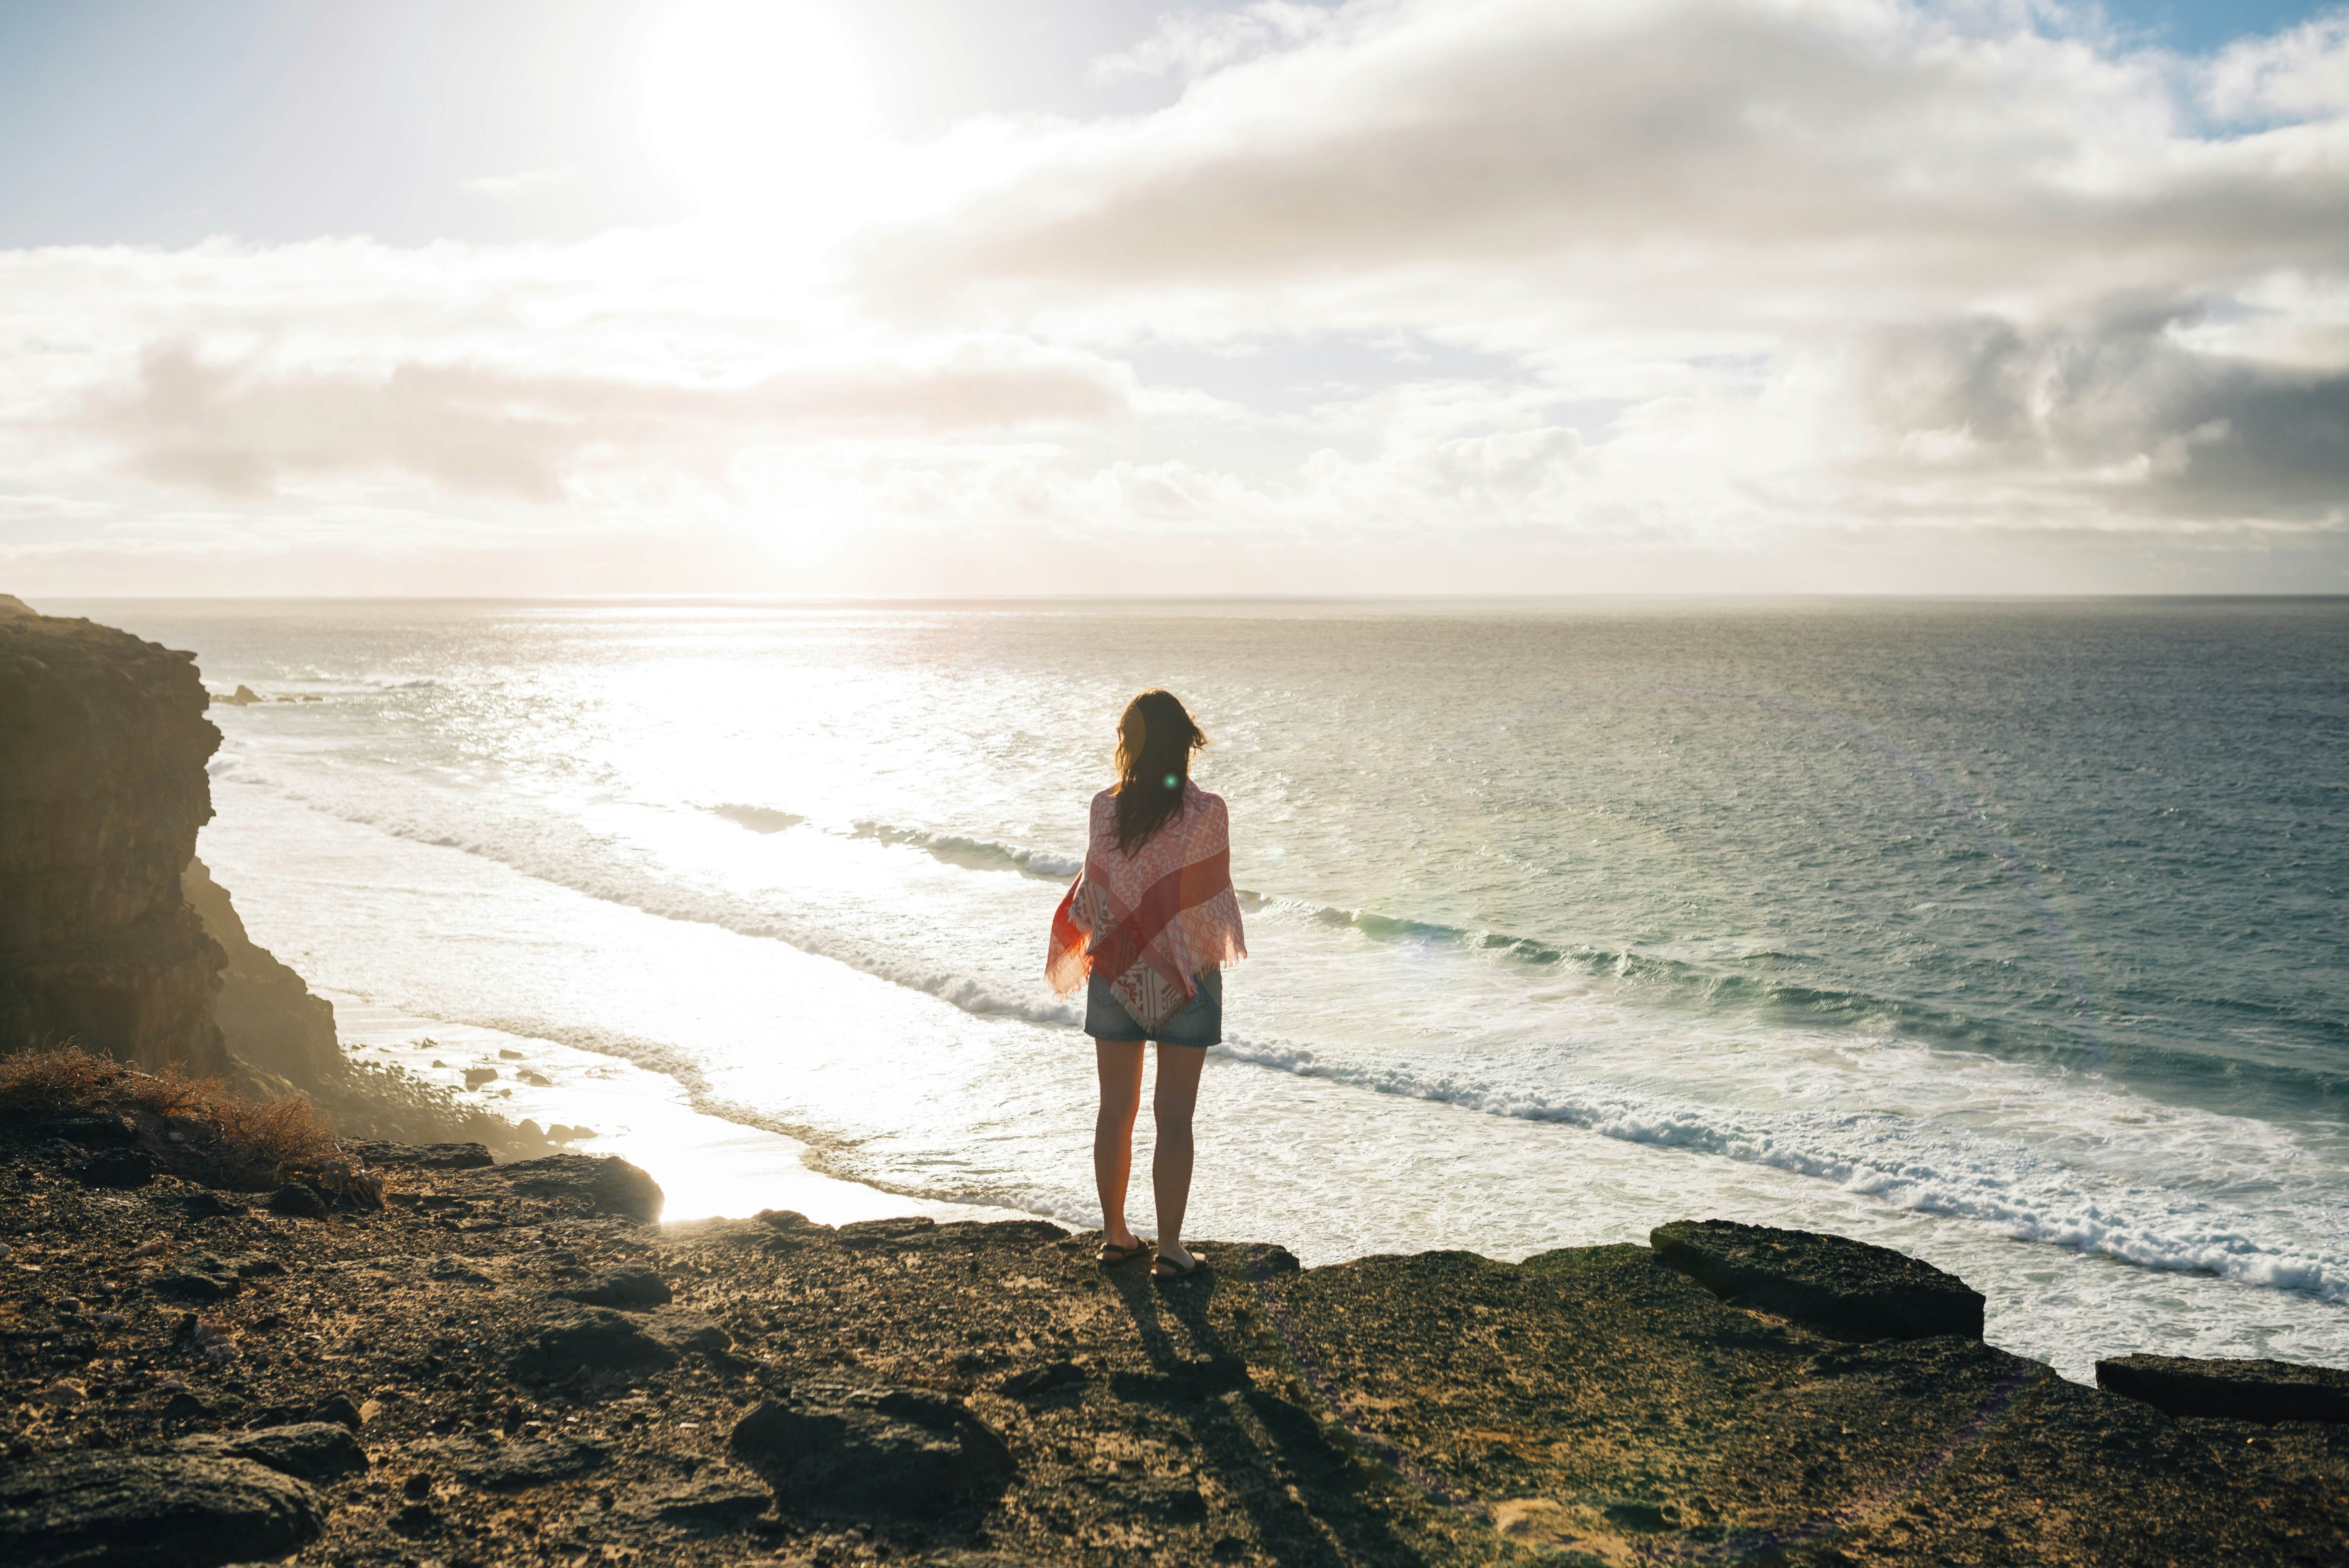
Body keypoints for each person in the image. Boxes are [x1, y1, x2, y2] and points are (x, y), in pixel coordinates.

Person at [1046, 689, 1246, 1279]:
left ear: (1129, 746)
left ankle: (1114, 1238)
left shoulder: (1102, 811)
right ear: (1183, 746)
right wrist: (1179, 952)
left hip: (1114, 971)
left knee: (1116, 1110)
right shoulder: (1209, 813)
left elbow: (1099, 896)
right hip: (1188, 980)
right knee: (1175, 1117)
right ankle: (1171, 1250)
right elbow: (1212, 906)